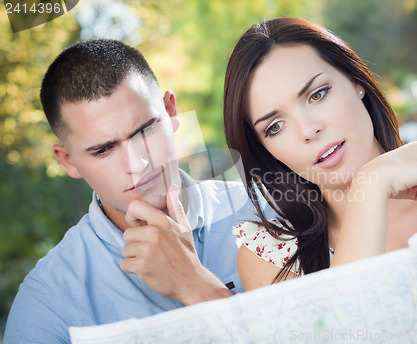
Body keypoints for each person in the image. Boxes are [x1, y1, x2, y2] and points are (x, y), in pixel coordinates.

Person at [4, 39, 258, 343]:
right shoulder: (48, 301)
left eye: (145, 130)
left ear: (171, 112)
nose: (138, 164)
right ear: (68, 161)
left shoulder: (269, 211)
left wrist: (196, 286)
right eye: (103, 150)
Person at [223, 17, 417, 290]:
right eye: (275, 126)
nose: (308, 129)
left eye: (317, 95)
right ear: (266, 150)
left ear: (356, 81)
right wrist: (369, 188)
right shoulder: (271, 258)